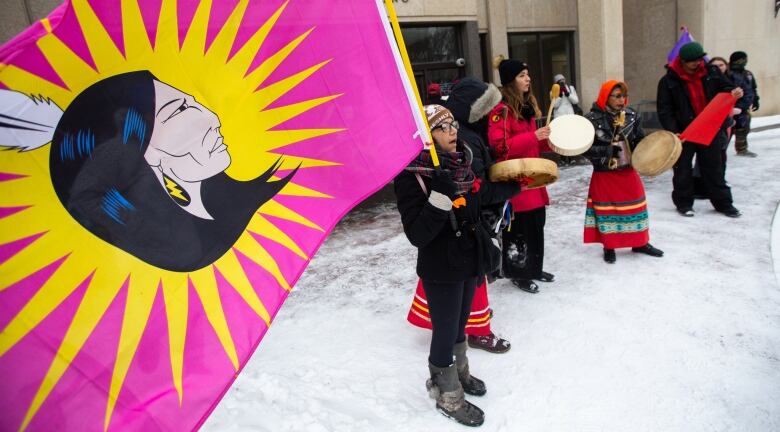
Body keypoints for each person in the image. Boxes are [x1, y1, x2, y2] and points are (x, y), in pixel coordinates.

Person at [0, 71, 293, 271]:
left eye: (191, 103)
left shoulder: (226, 206)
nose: (212, 117)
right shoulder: (174, 243)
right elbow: (86, 195)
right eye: (179, 111)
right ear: (143, 153)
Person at [395, 104, 497, 427]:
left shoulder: (463, 161)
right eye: (443, 127)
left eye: (453, 124)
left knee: (461, 324)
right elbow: (417, 234)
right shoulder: (411, 175)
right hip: (440, 266)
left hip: (467, 259)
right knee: (444, 330)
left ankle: (461, 372)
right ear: (427, 135)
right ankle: (447, 392)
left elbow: (474, 209)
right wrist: (439, 195)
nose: (453, 131)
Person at [445, 77, 521, 351]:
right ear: (471, 110)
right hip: (471, 220)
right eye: (485, 109)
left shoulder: (468, 132)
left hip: (469, 219)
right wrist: (511, 188)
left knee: (467, 277)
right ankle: (478, 330)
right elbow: (477, 190)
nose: (490, 114)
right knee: (474, 275)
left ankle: (460, 321)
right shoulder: (464, 139)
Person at [486, 56, 554, 294]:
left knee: (536, 227)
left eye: (528, 75)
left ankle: (534, 268)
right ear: (510, 81)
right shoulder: (500, 111)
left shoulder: (526, 109)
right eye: (522, 76)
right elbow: (500, 147)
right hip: (517, 184)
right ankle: (519, 273)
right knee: (519, 231)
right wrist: (534, 137)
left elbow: (531, 146)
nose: (528, 79)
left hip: (534, 182)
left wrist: (549, 143)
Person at [656, 42, 743, 218]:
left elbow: (726, 88)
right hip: (684, 133)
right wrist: (674, 131)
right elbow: (665, 110)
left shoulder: (711, 73)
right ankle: (684, 203)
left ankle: (724, 204)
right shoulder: (668, 81)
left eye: (699, 59)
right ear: (683, 61)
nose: (698, 63)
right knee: (682, 170)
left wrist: (734, 92)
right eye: (693, 61)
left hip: (708, 129)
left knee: (714, 168)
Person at [583, 80, 664, 263]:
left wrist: (653, 151)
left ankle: (640, 243)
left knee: (636, 206)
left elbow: (639, 141)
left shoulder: (632, 115)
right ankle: (609, 246)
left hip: (628, 170)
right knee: (607, 211)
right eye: (617, 96)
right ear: (606, 97)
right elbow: (584, 149)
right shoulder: (591, 119)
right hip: (604, 173)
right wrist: (606, 151)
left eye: (624, 96)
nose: (622, 100)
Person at [728, 51, 758, 157]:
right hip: (733, 107)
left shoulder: (748, 74)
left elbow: (753, 88)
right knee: (729, 128)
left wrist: (755, 100)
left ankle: (742, 149)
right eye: (742, 59)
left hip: (744, 107)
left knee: (744, 128)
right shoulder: (729, 74)